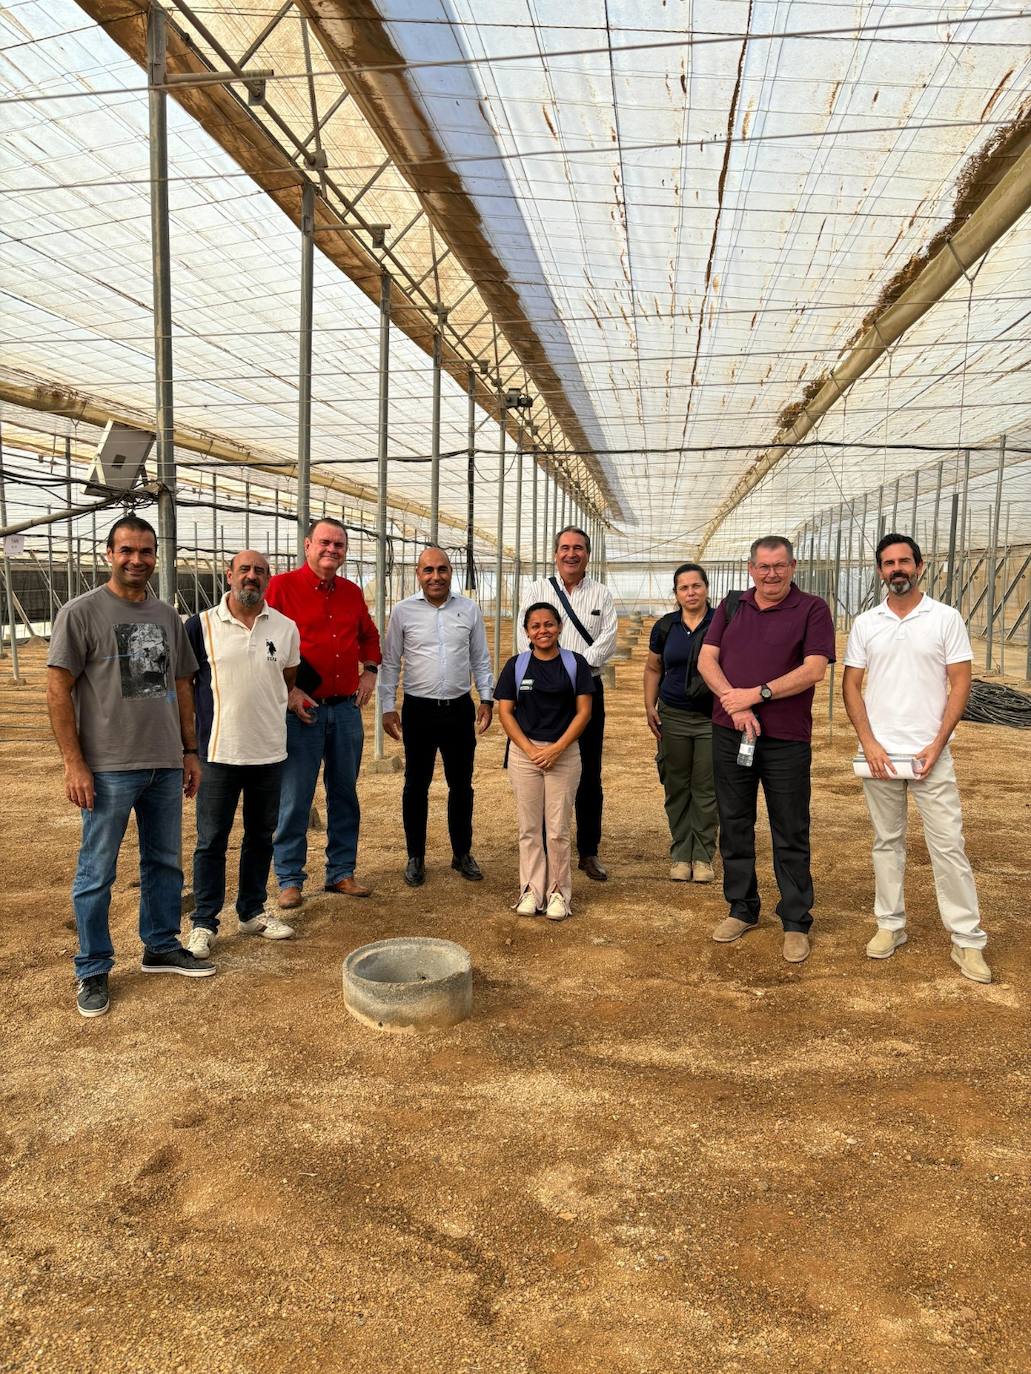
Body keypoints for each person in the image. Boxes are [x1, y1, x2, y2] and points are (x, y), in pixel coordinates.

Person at [46, 515, 215, 1018]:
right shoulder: (80, 613)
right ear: (109, 554)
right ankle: (93, 966)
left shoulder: (166, 616)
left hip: (163, 761)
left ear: (155, 556)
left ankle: (159, 945)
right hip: (108, 767)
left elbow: (182, 686)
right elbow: (58, 690)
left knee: (164, 862)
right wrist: (74, 763)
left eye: (145, 551)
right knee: (97, 870)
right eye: (126, 550)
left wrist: (189, 751)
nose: (136, 560)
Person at [842, 534, 990, 983]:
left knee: (948, 844)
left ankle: (967, 940)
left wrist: (938, 743)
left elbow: (960, 682)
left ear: (920, 566)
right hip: (881, 755)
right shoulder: (867, 623)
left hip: (930, 753)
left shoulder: (944, 618)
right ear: (880, 571)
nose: (897, 569)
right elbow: (851, 685)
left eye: (904, 561)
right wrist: (869, 742)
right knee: (887, 842)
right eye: (888, 563)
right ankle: (890, 924)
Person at [698, 536, 834, 964]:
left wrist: (757, 694)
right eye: (763, 566)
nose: (770, 574)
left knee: (790, 827)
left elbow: (814, 669)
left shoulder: (812, 609)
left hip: (786, 738)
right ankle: (742, 907)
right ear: (750, 568)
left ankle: (795, 919)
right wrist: (735, 704)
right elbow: (706, 660)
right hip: (731, 731)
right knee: (734, 821)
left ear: (792, 566)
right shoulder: (731, 606)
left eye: (779, 565)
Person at [183, 550, 301, 958]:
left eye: (260, 571)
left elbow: (287, 678)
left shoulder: (284, 627)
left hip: (268, 750)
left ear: (268, 579)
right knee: (211, 840)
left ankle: (251, 911)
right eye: (245, 570)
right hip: (218, 751)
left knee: (260, 836)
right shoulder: (200, 625)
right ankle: (204, 921)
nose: (252, 576)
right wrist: (189, 748)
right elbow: (185, 684)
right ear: (229, 575)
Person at [265, 518, 381, 908]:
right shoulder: (281, 588)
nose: (332, 550)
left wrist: (370, 671)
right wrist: (289, 690)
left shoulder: (350, 592)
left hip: (345, 708)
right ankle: (289, 878)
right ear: (308, 545)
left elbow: (368, 635)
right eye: (325, 543)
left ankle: (341, 871)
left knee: (344, 793)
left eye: (339, 545)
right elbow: (265, 642)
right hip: (302, 710)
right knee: (295, 795)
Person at [379, 546, 494, 887]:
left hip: (458, 709)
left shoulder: (468, 610)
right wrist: (387, 706)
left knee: (461, 785)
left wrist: (486, 698)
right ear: (418, 574)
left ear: (450, 572)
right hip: (419, 710)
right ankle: (415, 856)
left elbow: (480, 658)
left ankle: (462, 853)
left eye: (442, 569)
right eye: (428, 570)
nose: (435, 577)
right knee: (416, 785)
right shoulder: (403, 612)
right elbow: (390, 662)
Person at [517, 526, 617, 881]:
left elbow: (608, 639)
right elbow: (525, 636)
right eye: (565, 548)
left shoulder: (601, 594)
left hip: (586, 689)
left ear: (587, 554)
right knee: (545, 768)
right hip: (544, 695)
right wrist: (553, 674)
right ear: (555, 553)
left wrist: (572, 670)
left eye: (578, 548)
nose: (571, 554)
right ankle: (545, 848)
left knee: (589, 772)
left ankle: (588, 851)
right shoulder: (537, 590)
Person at [495, 603, 594, 919]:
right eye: (535, 626)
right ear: (527, 632)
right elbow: (505, 712)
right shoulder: (516, 666)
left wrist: (556, 749)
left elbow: (584, 712)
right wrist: (529, 749)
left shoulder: (575, 663)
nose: (543, 631)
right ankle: (530, 891)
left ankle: (558, 893)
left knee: (557, 829)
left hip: (564, 754)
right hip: (525, 755)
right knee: (529, 828)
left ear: (559, 627)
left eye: (549, 624)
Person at [643, 562, 717, 883]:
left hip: (711, 719)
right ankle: (680, 853)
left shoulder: (722, 623)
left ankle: (703, 856)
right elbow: (653, 668)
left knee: (706, 788)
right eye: (684, 588)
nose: (691, 592)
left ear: (706, 588)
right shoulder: (665, 627)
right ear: (675, 593)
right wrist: (649, 705)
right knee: (676, 786)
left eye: (696, 586)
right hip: (672, 716)